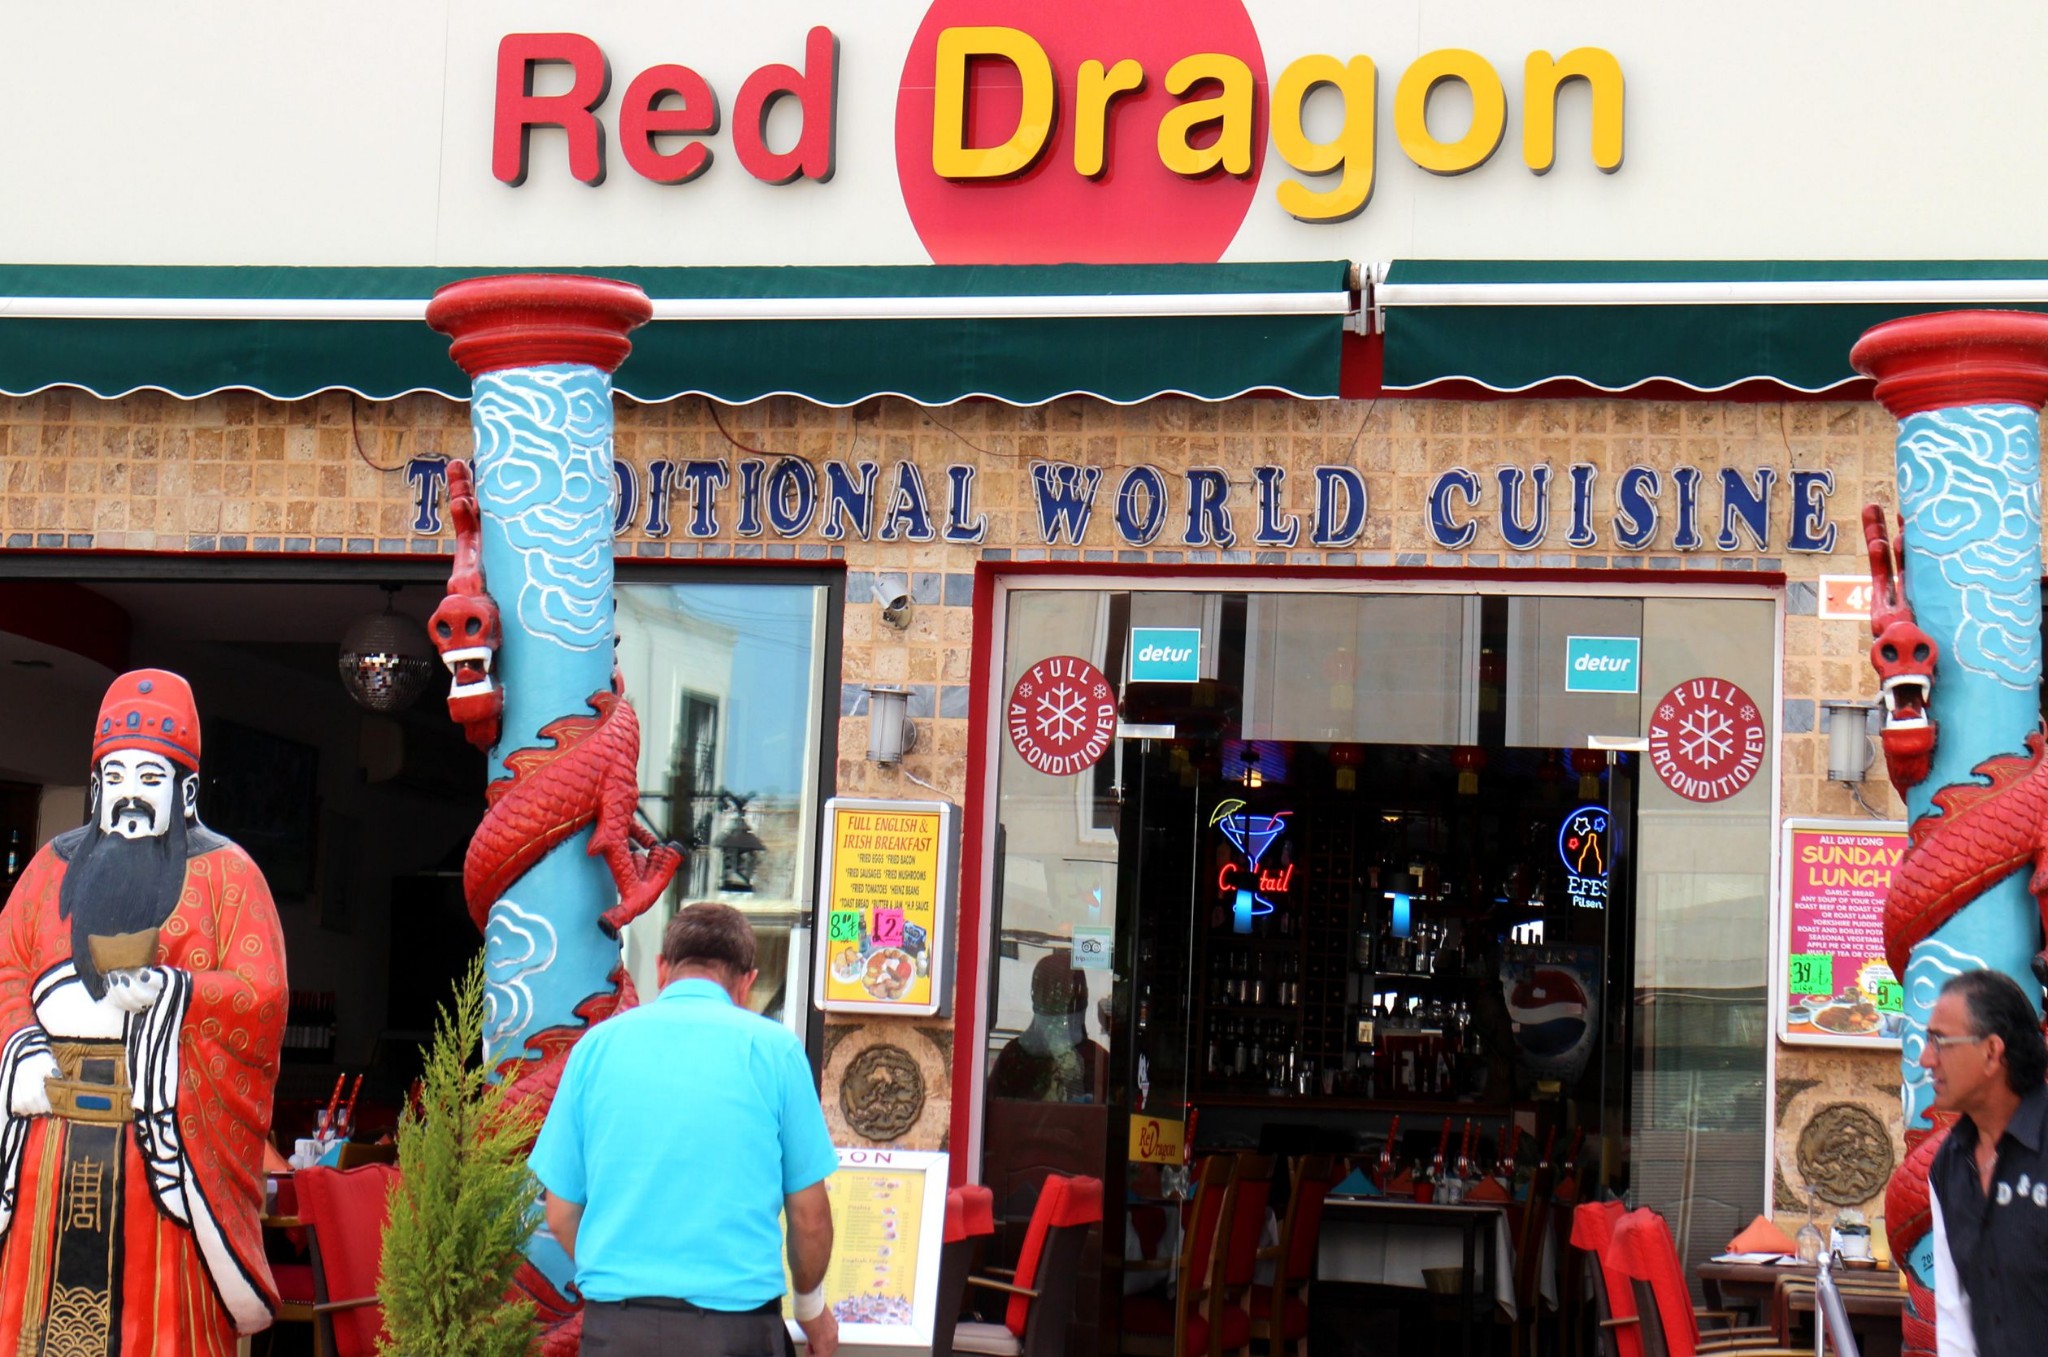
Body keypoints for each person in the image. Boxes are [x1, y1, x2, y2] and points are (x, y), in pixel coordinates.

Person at [0, 668, 287, 1352]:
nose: (130, 792)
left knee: (154, 1325)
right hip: (48, 1143)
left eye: (151, 777)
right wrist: (23, 1051)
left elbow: (263, 995)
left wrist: (175, 993)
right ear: (96, 785)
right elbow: (6, 968)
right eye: (117, 776)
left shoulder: (230, 875)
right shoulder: (46, 871)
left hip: (160, 1147)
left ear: (186, 791)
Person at [530, 901, 840, 1355]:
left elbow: (559, 1213)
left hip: (616, 1332)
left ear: (661, 968)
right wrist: (811, 1309)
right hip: (735, 1333)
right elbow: (809, 1217)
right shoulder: (776, 1051)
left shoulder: (594, 1048)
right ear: (747, 983)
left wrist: (623, 1275)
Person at [1921, 967, 2048, 1357]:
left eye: (1940, 1042)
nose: (1926, 1059)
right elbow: (1954, 1317)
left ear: (1992, 1052)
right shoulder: (1949, 1165)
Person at [988, 950, 1109, 1103]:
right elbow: (994, 1108)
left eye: (1065, 991)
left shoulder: (1097, 1060)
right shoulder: (1013, 1056)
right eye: (1046, 989)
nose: (1054, 999)